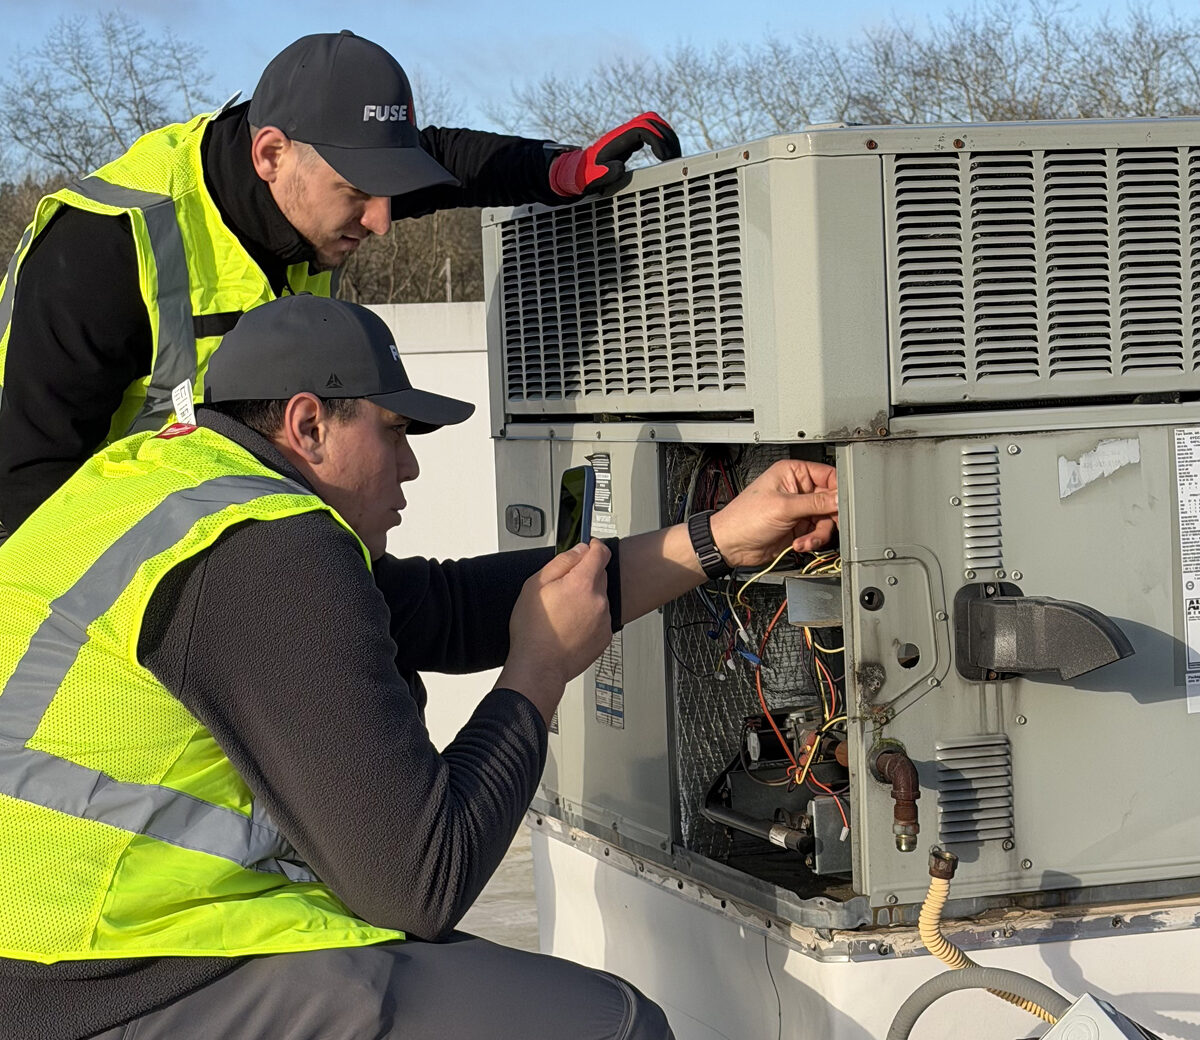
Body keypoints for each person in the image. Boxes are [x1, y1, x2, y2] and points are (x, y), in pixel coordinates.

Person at [0, 294, 839, 1040]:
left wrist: (721, 536)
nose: (409, 467)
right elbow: (419, 883)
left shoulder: (165, 485)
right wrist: (537, 676)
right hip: (109, 980)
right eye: (395, 433)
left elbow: (445, 608)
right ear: (308, 424)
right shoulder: (266, 554)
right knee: (614, 1025)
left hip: (50, 950)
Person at [0, 29, 680, 536]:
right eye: (360, 191)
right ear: (270, 153)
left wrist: (554, 170)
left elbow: (442, 161)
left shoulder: (309, 187)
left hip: (249, 559)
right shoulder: (102, 250)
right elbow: (24, 494)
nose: (383, 221)